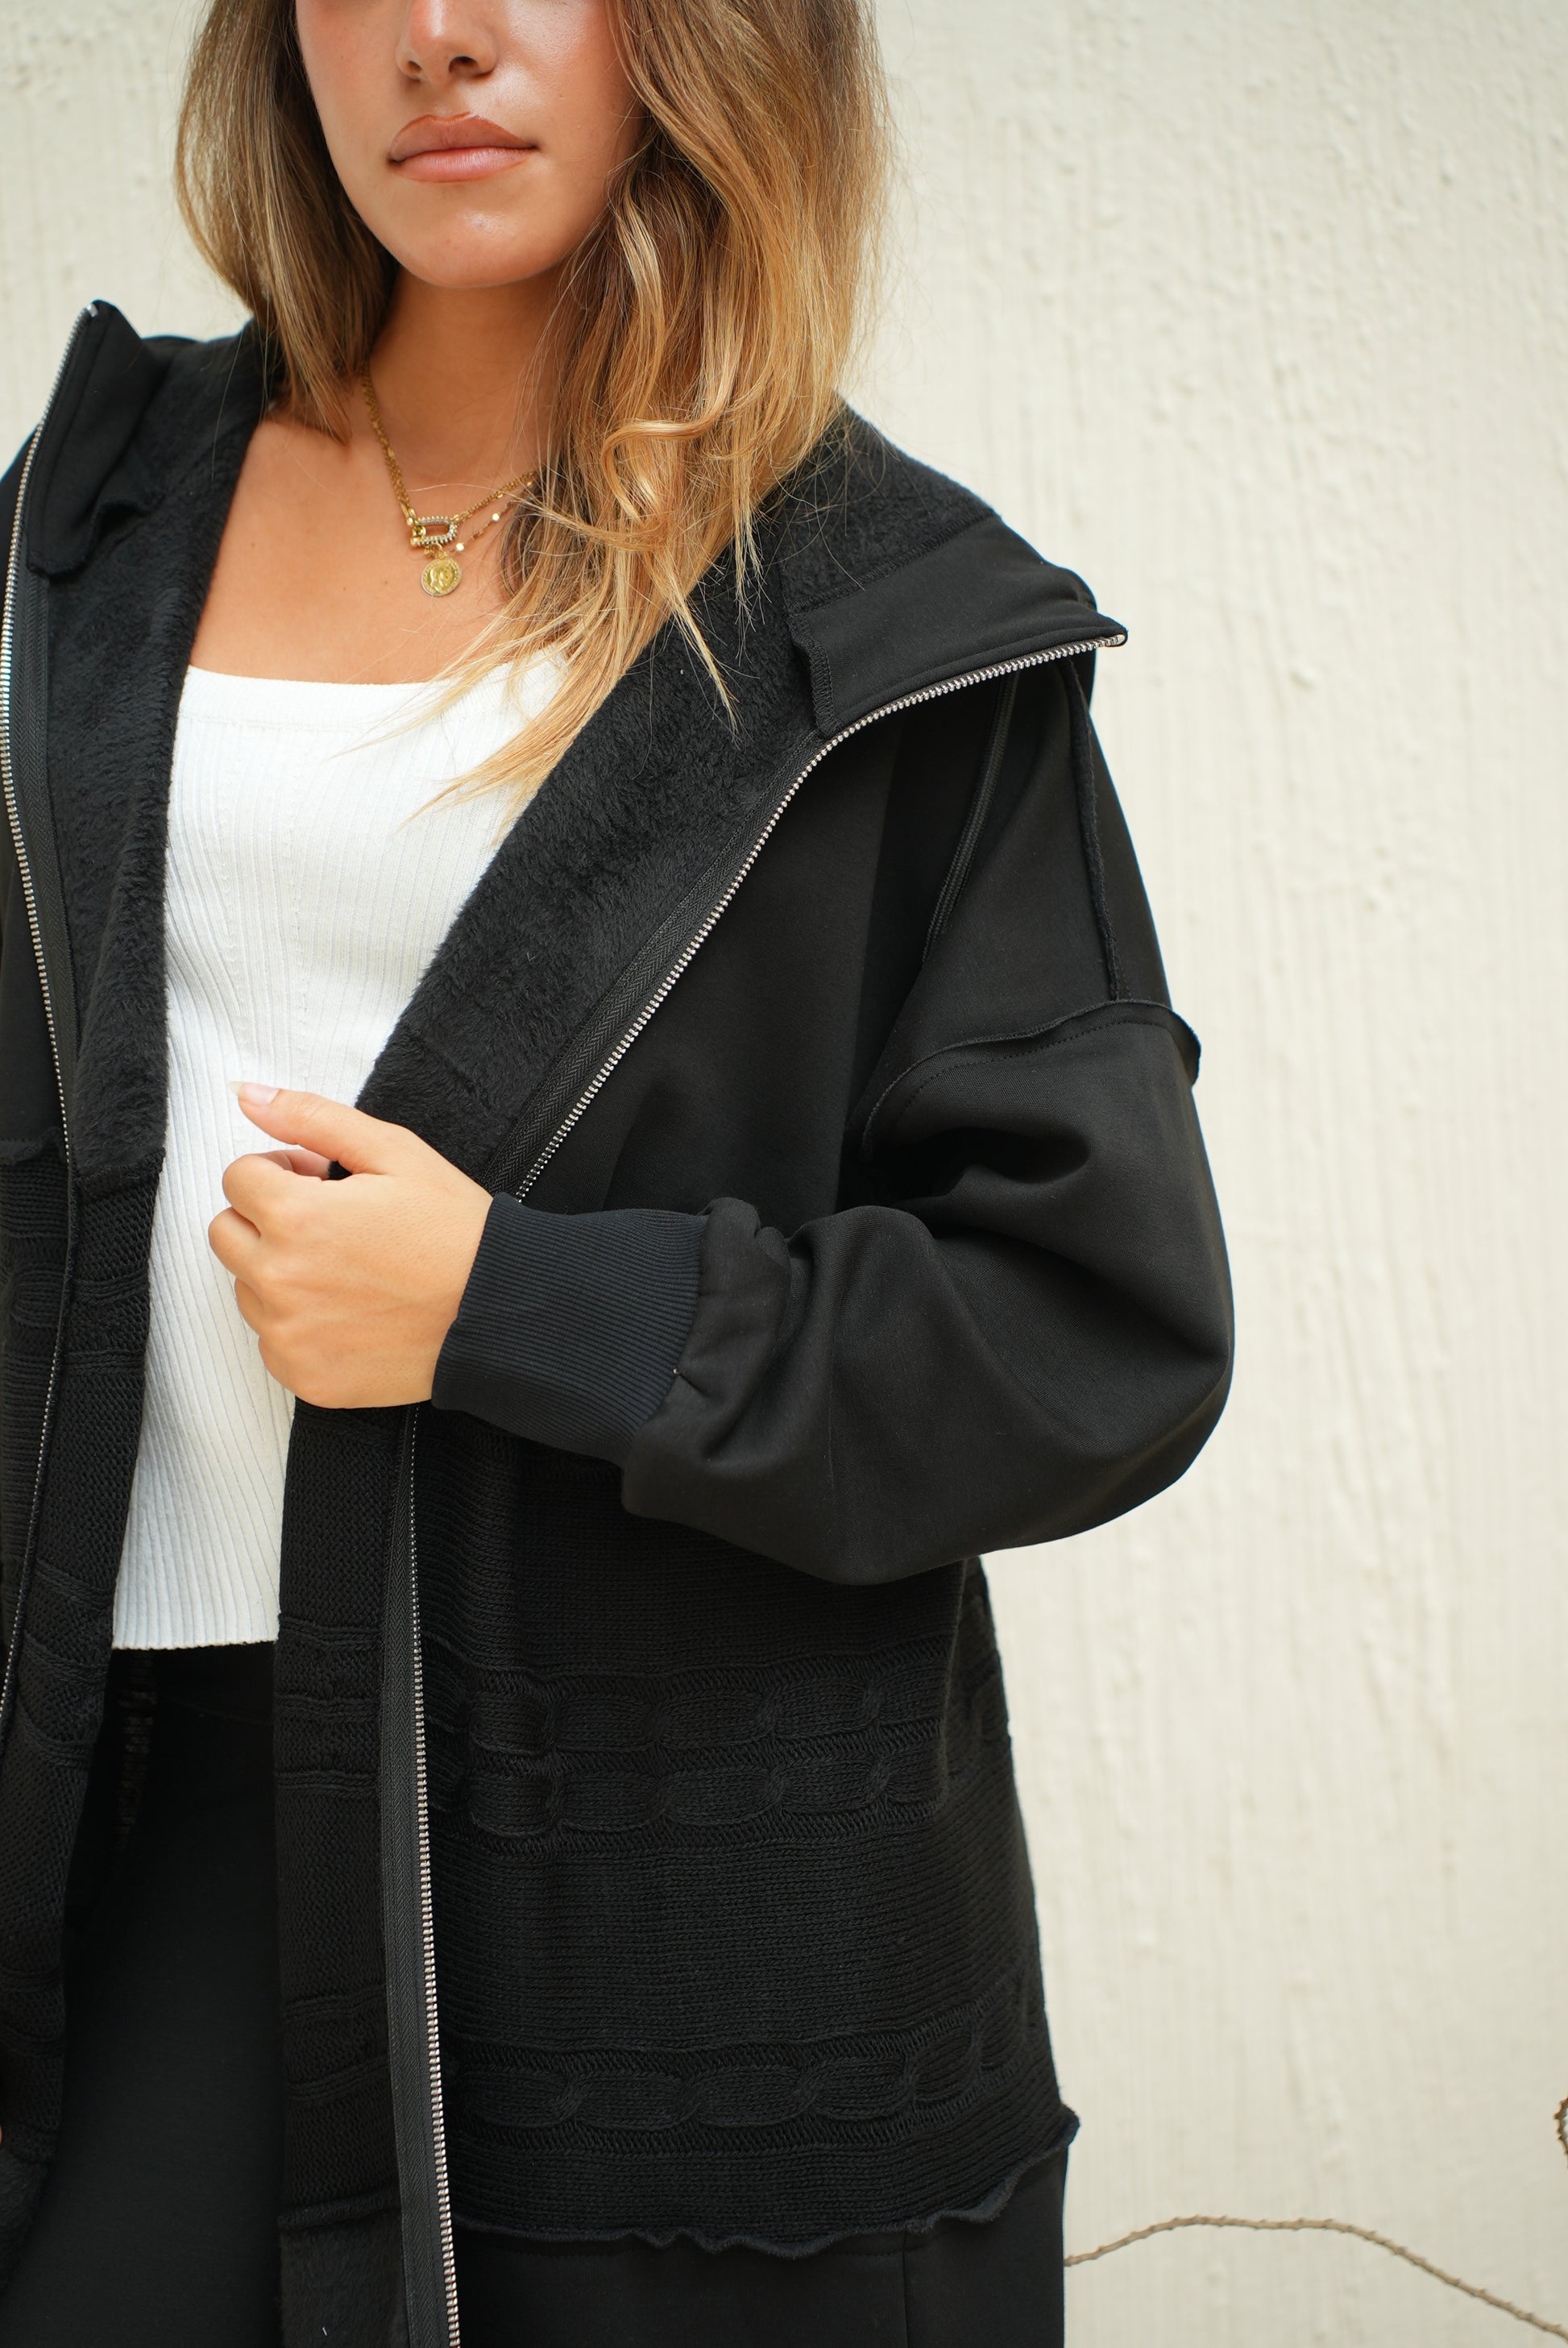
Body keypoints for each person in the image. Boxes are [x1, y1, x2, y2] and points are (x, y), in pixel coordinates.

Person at [0, 2, 1233, 2342]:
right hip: (120, 1822)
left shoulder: (887, 629)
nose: (438, 38)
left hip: (663, 1895)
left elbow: (1094, 1326)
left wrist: (515, 1307)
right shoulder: (86, 532)